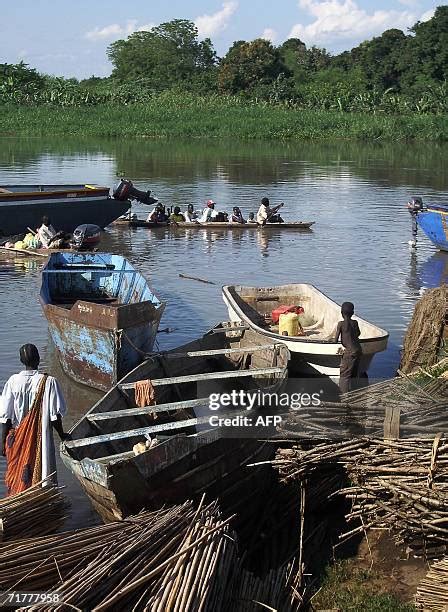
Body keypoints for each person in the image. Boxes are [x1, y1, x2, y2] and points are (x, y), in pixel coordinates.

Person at [1, 344, 68, 496]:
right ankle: (41, 500)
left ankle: (20, 501)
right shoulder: (49, 382)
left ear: (21, 360)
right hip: (40, 438)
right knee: (42, 473)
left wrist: (2, 442)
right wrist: (62, 434)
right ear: (38, 359)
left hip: (17, 439)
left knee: (19, 474)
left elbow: (6, 417)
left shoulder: (12, 381)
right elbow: (54, 417)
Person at [333, 302, 362, 395]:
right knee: (354, 374)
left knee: (344, 376)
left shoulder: (341, 324)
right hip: (358, 350)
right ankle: (354, 393)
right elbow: (358, 334)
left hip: (349, 352)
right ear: (352, 313)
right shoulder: (355, 322)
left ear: (341, 313)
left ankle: (343, 397)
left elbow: (335, 340)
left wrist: (331, 339)